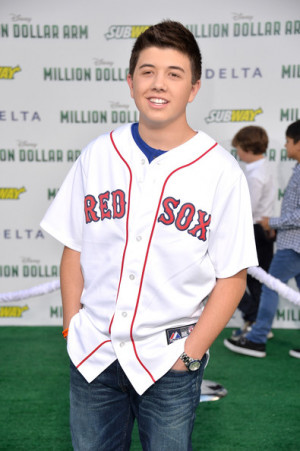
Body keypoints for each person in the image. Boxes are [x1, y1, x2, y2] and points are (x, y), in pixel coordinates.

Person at [41, 21, 257, 450]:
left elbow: (233, 278)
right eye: (147, 71)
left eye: (174, 73)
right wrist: (72, 326)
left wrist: (191, 354)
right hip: (94, 356)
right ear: (130, 80)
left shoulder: (221, 172)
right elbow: (73, 249)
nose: (158, 84)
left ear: (193, 88)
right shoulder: (99, 153)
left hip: (169, 360)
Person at [224, 120, 300, 359]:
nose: (286, 146)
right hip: (285, 237)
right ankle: (255, 329)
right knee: (264, 283)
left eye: (288, 142)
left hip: (285, 240)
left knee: (268, 285)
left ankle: (256, 338)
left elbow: (253, 209)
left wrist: (272, 223)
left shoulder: (258, 174)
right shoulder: (292, 169)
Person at [230, 126, 275, 340]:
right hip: (261, 230)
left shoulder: (255, 174)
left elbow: (249, 208)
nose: (237, 152)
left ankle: (254, 322)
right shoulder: (264, 167)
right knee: (258, 281)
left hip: (253, 229)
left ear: (247, 147)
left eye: (238, 147)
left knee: (250, 280)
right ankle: (257, 323)